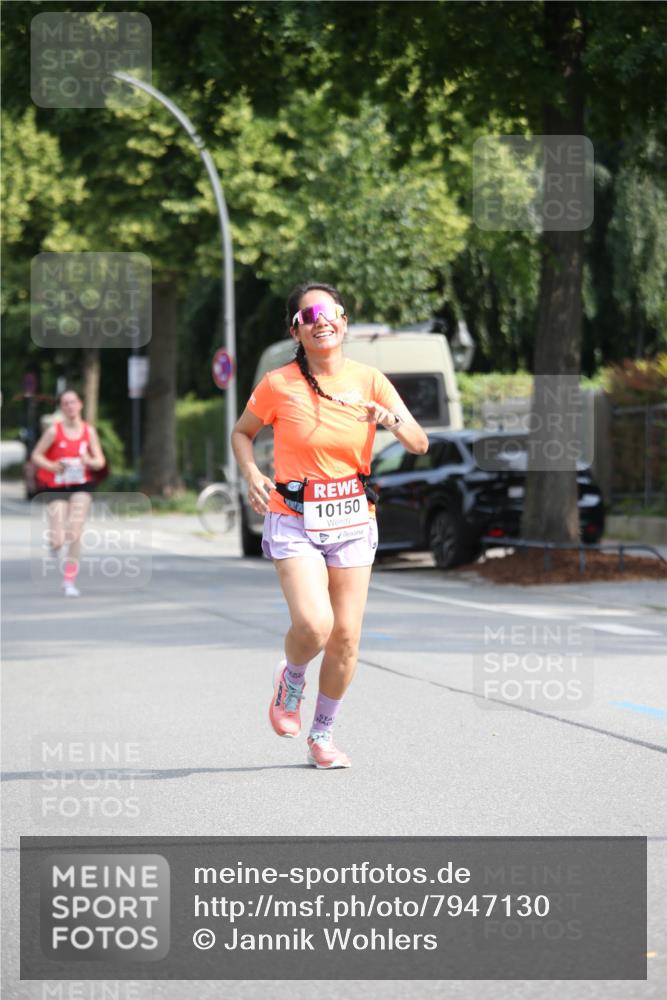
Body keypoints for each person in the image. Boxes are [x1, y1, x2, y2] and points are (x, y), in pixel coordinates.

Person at [232, 282, 429, 769]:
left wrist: (390, 420)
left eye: (329, 311)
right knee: (315, 625)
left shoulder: (370, 379)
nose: (321, 319)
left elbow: (419, 442)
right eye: (308, 314)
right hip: (294, 517)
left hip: (353, 518)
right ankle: (292, 678)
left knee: (345, 636)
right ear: (296, 329)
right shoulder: (278, 384)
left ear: (343, 320)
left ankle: (323, 734)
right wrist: (253, 473)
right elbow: (242, 433)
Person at [31, 389, 106, 598]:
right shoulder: (54, 431)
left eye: (73, 402)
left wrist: (88, 461)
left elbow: (100, 461)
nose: (70, 407)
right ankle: (54, 545)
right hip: (56, 486)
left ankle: (69, 580)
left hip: (81, 484)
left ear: (80, 405)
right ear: (61, 408)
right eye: (65, 403)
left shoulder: (88, 431)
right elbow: (36, 455)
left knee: (75, 531)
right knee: (58, 537)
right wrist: (52, 465)